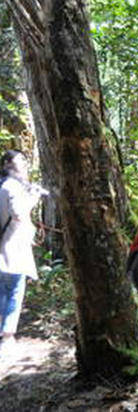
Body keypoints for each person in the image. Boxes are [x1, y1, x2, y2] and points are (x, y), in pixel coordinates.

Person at [0, 150, 48, 356]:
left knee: (4, 290)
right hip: (12, 248)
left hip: (8, 246)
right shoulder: (10, 187)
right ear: (8, 164)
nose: (25, 163)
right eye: (20, 160)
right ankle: (8, 336)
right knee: (14, 291)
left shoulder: (7, 185)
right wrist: (34, 197)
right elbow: (18, 213)